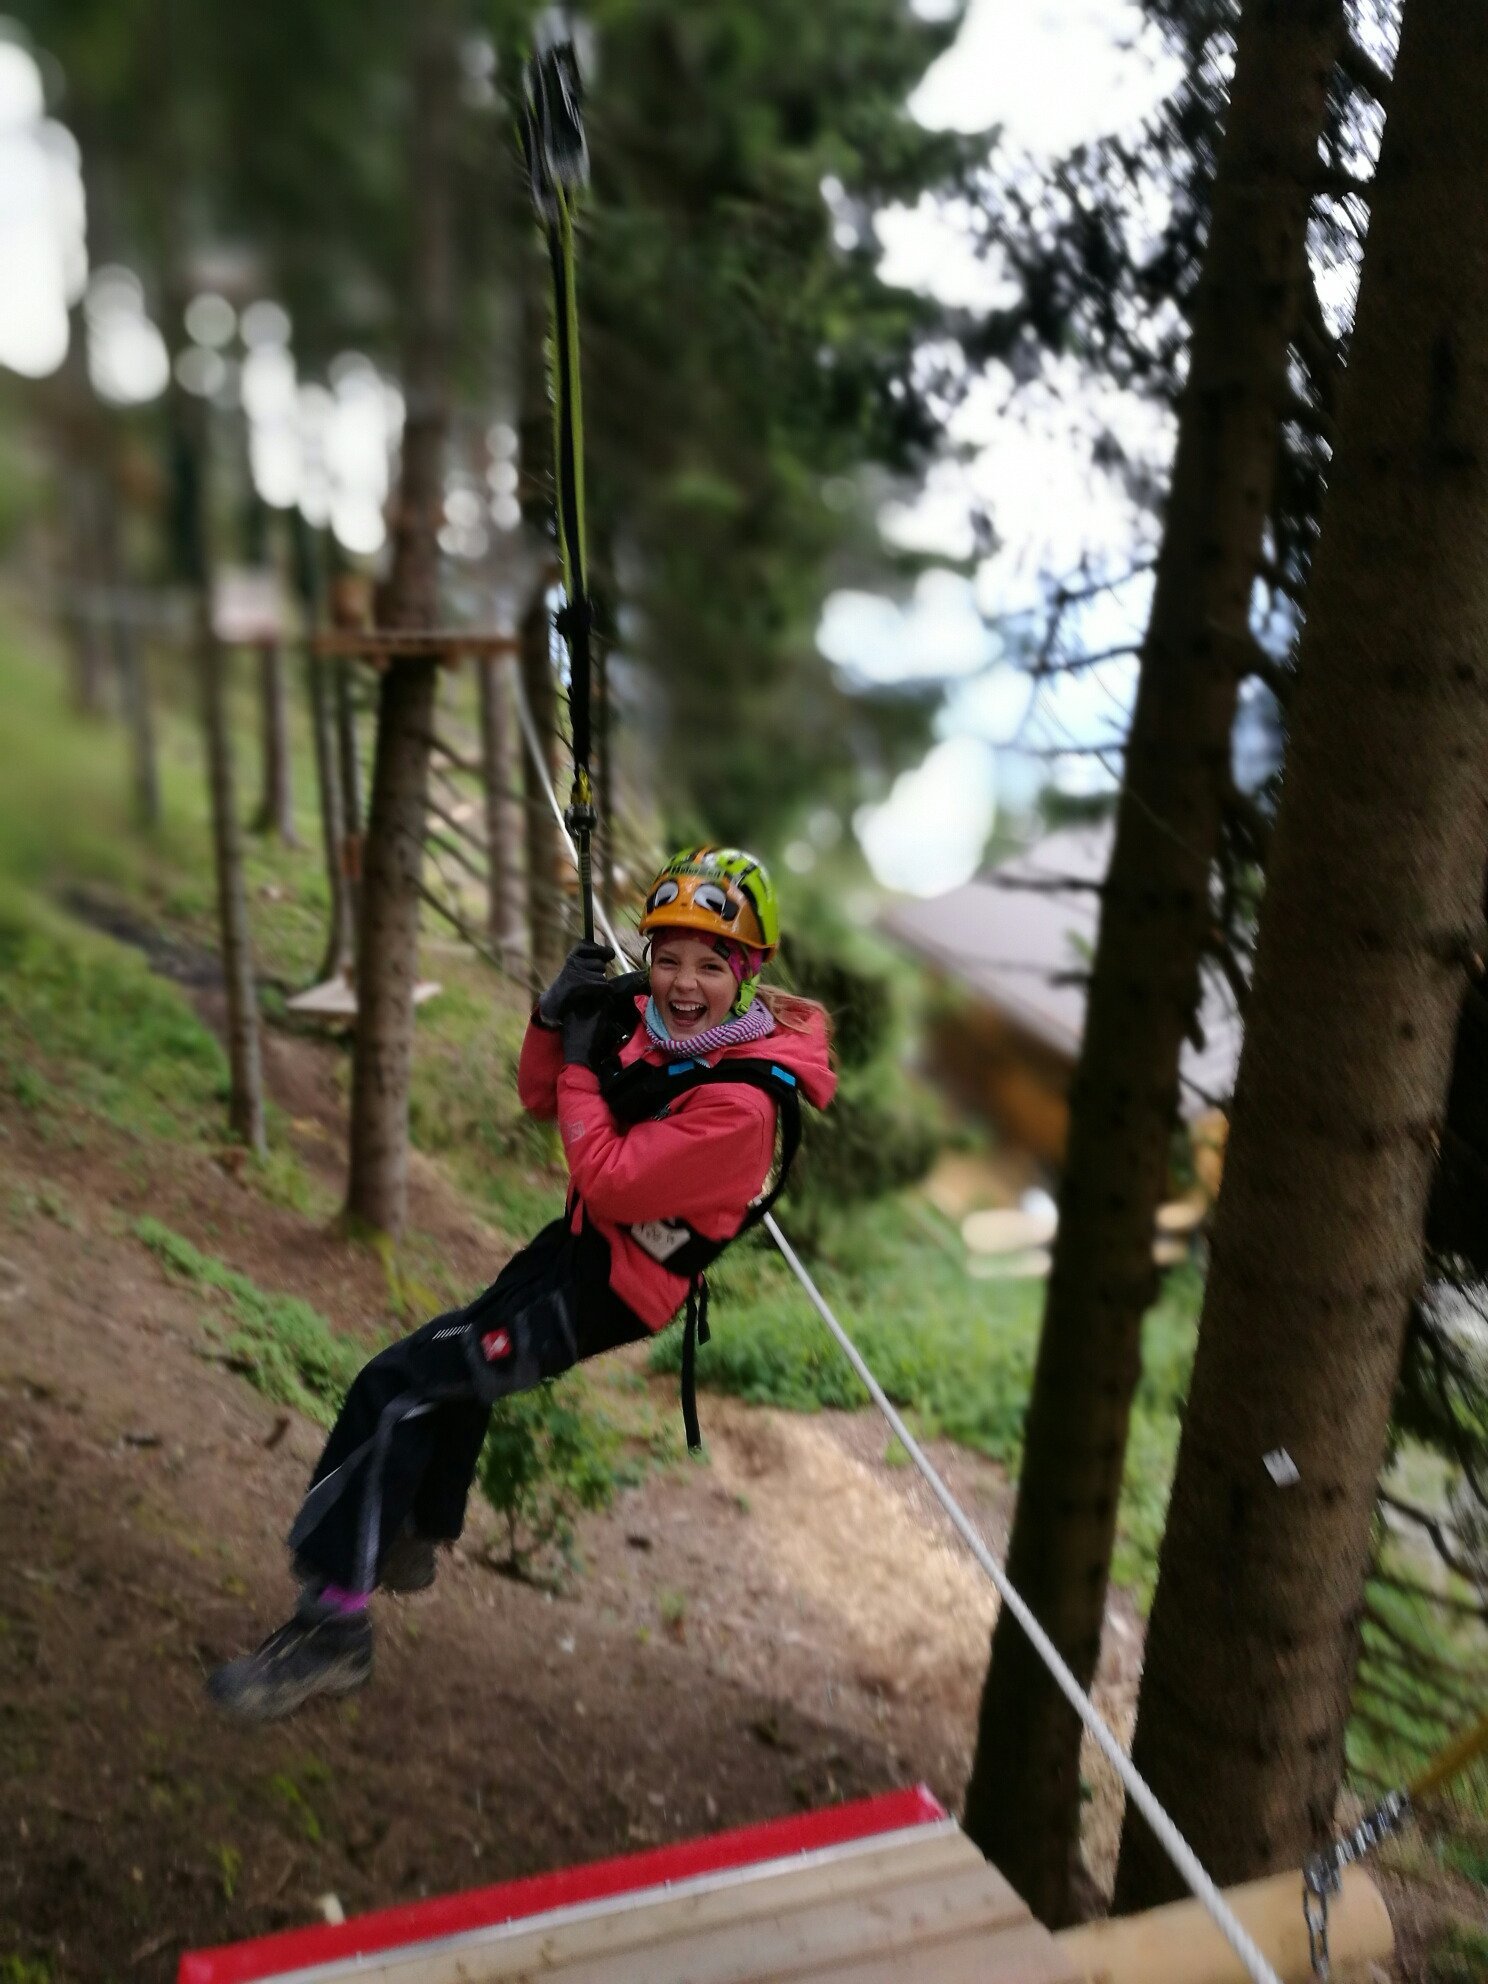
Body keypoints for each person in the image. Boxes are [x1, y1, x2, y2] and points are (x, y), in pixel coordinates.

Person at [207, 846, 835, 1721]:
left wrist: (582, 1059)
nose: (681, 983)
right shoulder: (655, 1032)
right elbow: (543, 1100)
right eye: (666, 958)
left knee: (397, 1386)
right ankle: (414, 1533)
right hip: (571, 1252)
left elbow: (610, 1173)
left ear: (748, 972)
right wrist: (555, 1018)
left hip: (604, 1290)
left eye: (708, 966)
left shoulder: (739, 1103)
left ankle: (332, 1630)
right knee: (452, 1375)